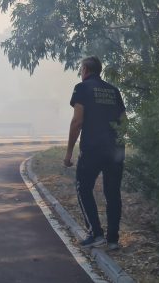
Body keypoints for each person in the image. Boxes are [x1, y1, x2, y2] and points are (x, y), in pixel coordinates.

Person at [63, 56, 126, 250]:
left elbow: (77, 122)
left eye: (81, 69)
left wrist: (68, 154)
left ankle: (96, 233)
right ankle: (113, 239)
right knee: (113, 193)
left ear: (85, 70)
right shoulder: (114, 91)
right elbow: (124, 122)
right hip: (115, 150)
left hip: (92, 149)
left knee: (83, 188)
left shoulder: (81, 88)